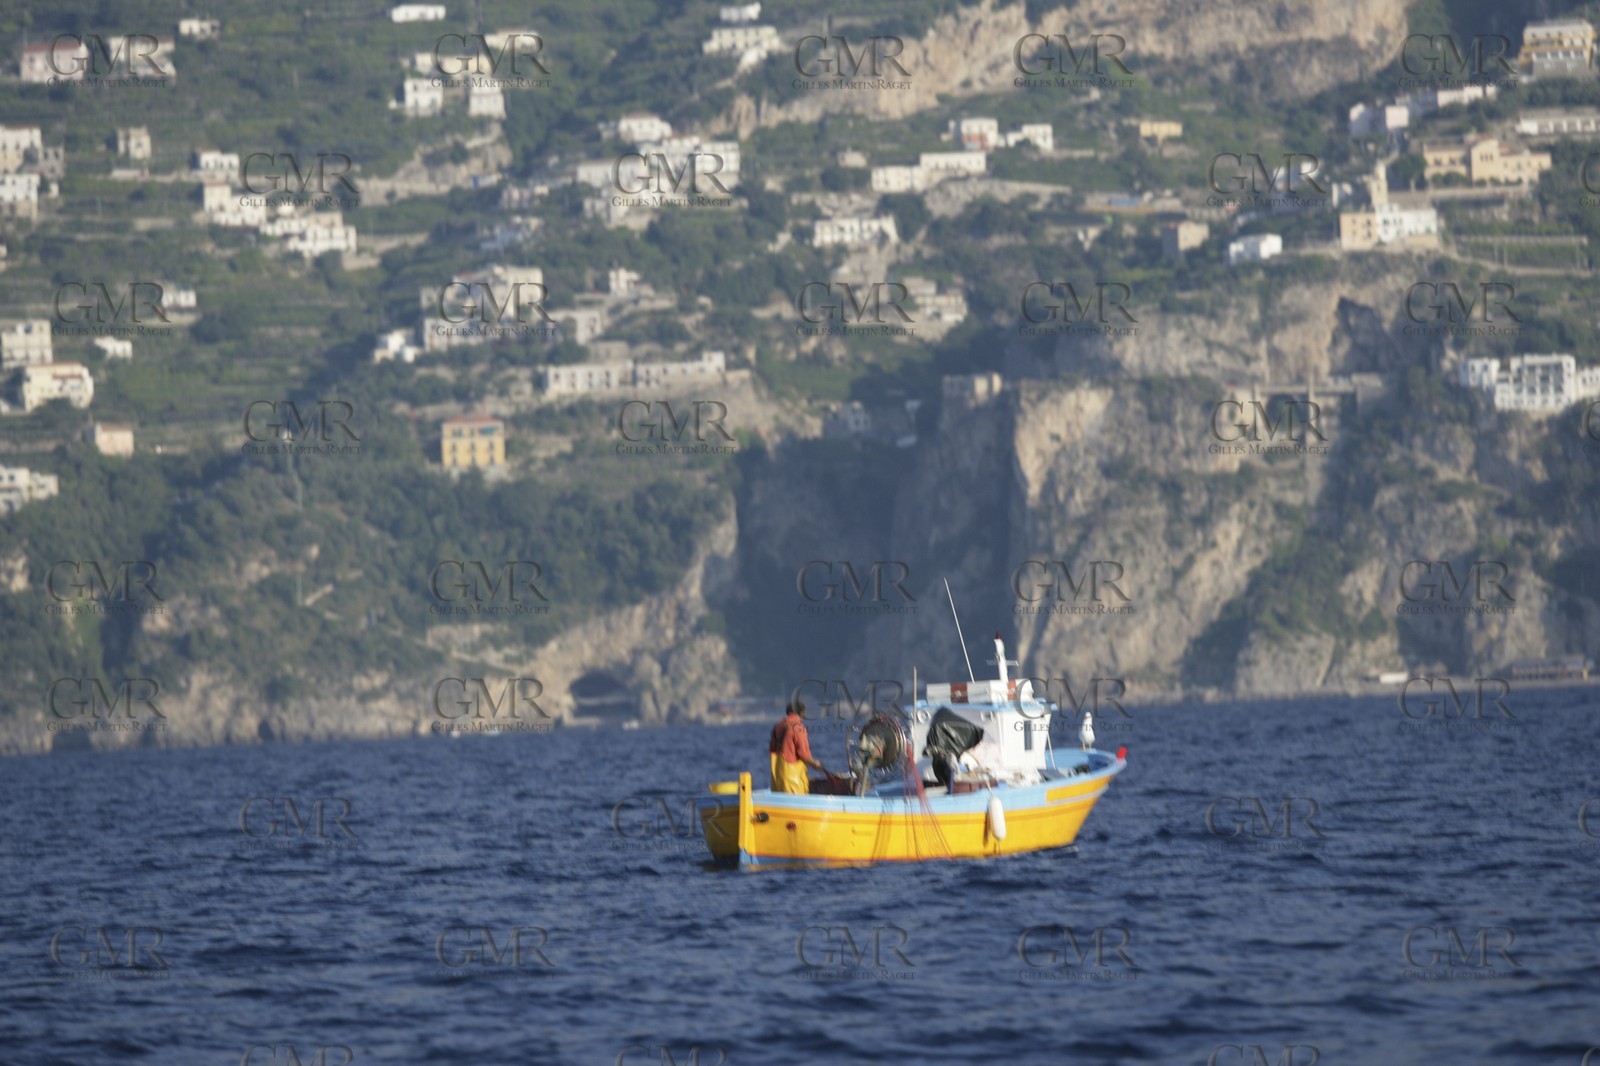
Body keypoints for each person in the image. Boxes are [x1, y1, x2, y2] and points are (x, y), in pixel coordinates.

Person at [770, 700, 827, 794]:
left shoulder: (777, 726)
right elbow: (804, 754)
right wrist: (815, 764)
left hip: (777, 778)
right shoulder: (798, 727)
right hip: (793, 781)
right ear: (801, 713)